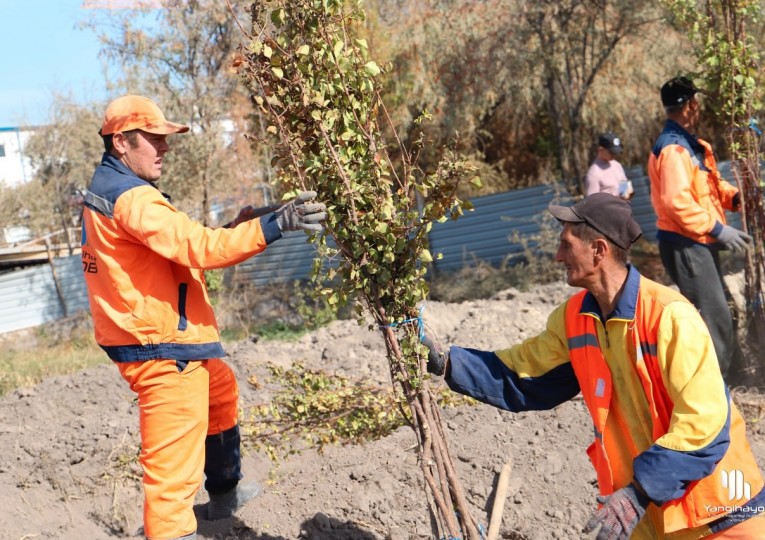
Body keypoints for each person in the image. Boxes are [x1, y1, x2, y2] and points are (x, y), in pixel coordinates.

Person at [423, 193, 765, 539]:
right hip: (650, 517)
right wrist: (447, 361)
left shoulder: (669, 316)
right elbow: (522, 375)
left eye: (566, 245)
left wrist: (638, 492)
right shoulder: (573, 319)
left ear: (598, 250)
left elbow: (704, 423)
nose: (557, 256)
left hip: (721, 514)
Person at [80, 95, 327, 540]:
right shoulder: (131, 199)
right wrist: (275, 225)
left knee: (220, 390)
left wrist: (242, 225)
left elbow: (179, 249)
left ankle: (224, 496)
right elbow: (198, 248)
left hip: (169, 339)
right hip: (160, 350)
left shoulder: (119, 192)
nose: (164, 148)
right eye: (153, 139)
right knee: (171, 476)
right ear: (120, 141)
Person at [648, 76, 752, 380]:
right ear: (690, 105)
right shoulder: (673, 150)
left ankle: (724, 382)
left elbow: (711, 187)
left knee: (724, 311)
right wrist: (719, 230)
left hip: (697, 242)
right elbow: (675, 202)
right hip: (685, 244)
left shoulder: (693, 145)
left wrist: (738, 199)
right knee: (714, 316)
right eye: (697, 102)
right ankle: (714, 390)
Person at [585, 131, 633, 199]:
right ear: (601, 149)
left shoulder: (617, 165)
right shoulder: (594, 173)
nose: (614, 155)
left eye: (615, 152)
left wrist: (627, 192)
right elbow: (592, 203)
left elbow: (624, 191)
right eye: (611, 152)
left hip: (622, 208)